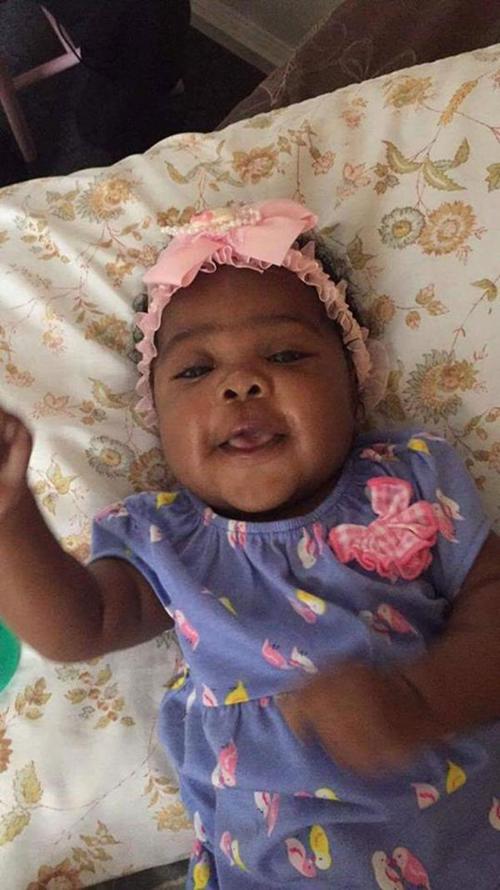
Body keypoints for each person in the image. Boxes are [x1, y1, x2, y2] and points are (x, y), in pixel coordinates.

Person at [1, 199, 499, 889]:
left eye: (286, 354)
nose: (240, 382)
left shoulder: (409, 479)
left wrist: (424, 698)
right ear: (157, 420)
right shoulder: (168, 542)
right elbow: (74, 627)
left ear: (355, 388)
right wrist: (11, 516)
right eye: (195, 371)